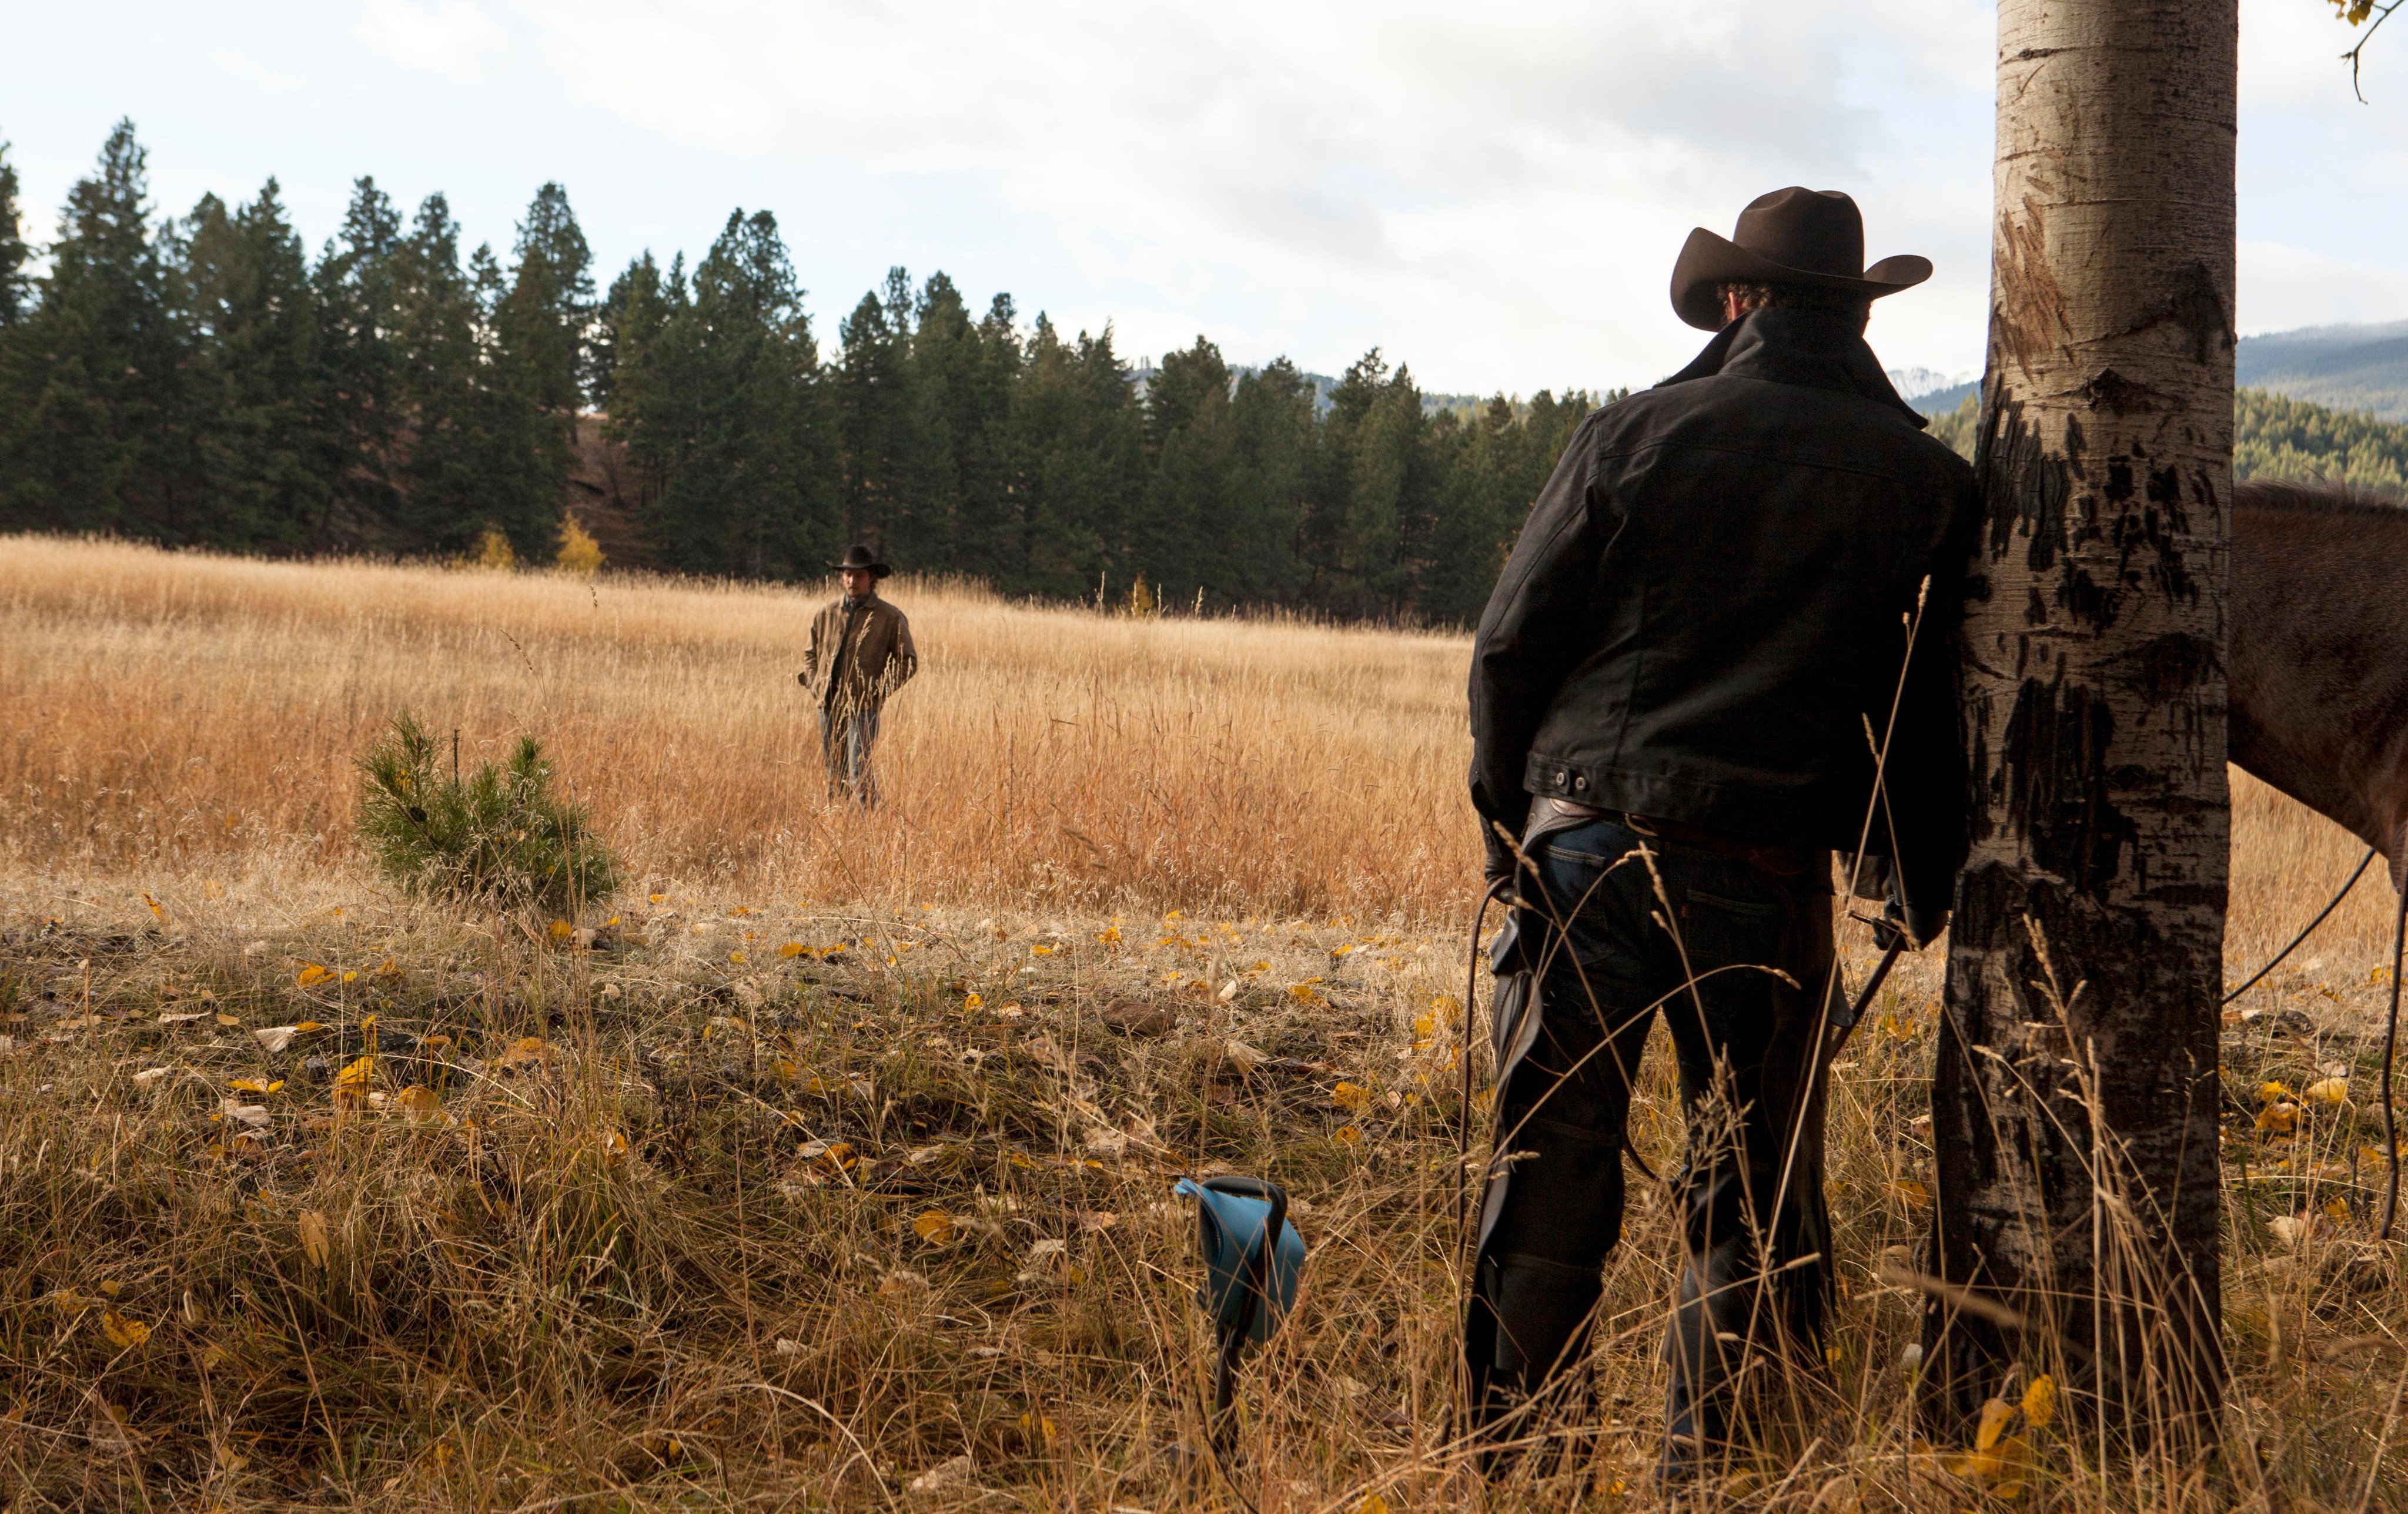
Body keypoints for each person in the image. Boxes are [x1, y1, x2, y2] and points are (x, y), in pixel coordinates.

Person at [1463, 187, 1976, 1479]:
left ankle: (1526, 1475)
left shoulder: (1632, 434)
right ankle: (1708, 1476)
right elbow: (1920, 711)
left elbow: (1511, 644)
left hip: (1585, 845)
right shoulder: (1925, 484)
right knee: (1745, 1198)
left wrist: (1506, 824)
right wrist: (1911, 870)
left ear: (1736, 302)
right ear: (1850, 315)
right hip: (1769, 878)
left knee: (1547, 1175)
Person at [798, 544, 917, 805]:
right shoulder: (826, 613)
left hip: (863, 707)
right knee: (834, 776)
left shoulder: (889, 616)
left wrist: (877, 690)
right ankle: (839, 826)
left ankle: (870, 832)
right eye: (848, 575)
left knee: (859, 774)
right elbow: (811, 653)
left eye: (859, 575)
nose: (852, 581)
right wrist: (816, 684)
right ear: (842, 577)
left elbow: (908, 662)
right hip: (828, 705)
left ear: (872, 579)